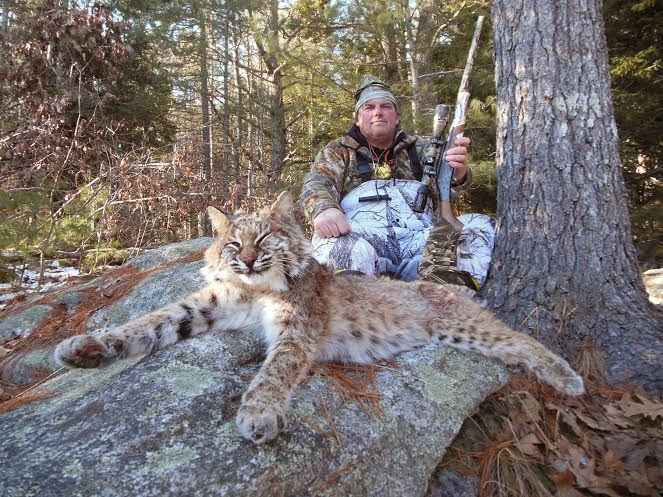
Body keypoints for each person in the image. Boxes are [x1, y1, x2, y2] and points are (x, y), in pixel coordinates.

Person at [299, 76, 494, 288]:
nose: (378, 112)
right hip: (361, 239)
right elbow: (316, 183)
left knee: (478, 227)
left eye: (385, 106)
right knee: (341, 251)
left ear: (397, 116)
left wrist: (459, 173)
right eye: (369, 107)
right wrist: (324, 209)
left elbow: (453, 184)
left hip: (419, 241)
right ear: (357, 118)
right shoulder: (338, 151)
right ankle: (357, 314)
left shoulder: (425, 148)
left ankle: (443, 304)